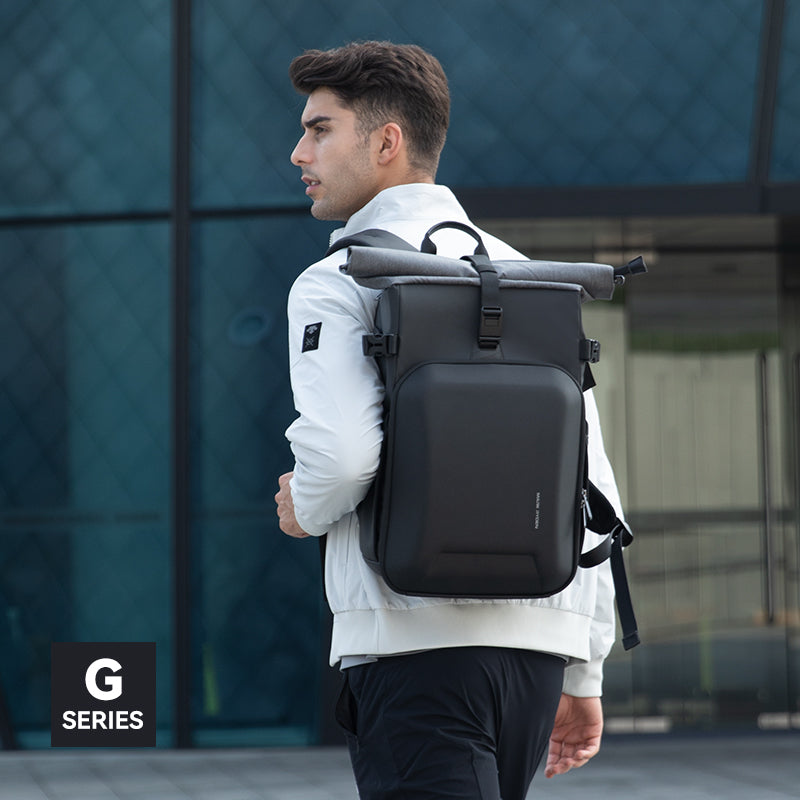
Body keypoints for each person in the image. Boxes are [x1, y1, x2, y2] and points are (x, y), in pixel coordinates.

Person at [275, 41, 623, 800]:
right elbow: (593, 488)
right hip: (533, 660)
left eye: (320, 129)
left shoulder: (339, 280)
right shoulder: (532, 279)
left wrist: (301, 506)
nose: (299, 151)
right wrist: (583, 668)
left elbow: (339, 459)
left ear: (387, 141)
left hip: (412, 654)